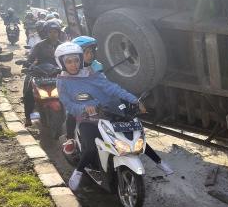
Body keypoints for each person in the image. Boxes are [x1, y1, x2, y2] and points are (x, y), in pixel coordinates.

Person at [55, 42, 172, 191]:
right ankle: (78, 172)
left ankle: (158, 161)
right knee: (90, 148)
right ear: (62, 63)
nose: (74, 65)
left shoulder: (91, 73)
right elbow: (68, 104)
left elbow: (113, 89)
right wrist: (83, 108)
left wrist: (135, 100)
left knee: (132, 135)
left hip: (109, 113)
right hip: (87, 119)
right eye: (69, 62)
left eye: (76, 60)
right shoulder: (62, 81)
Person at [23, 20, 63, 126]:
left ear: (59, 33)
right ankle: (28, 117)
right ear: (46, 33)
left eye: (55, 32)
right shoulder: (39, 45)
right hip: (40, 73)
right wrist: (27, 64)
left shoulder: (62, 46)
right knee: (28, 91)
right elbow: (31, 58)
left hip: (57, 74)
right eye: (50, 32)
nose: (53, 34)